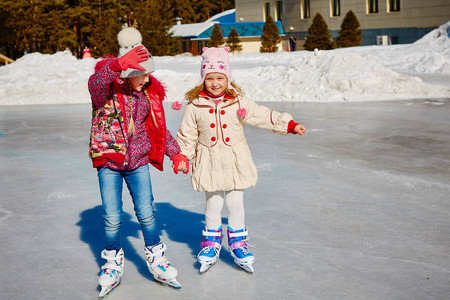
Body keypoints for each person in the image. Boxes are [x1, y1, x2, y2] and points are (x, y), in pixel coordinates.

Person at [172, 47, 306, 274]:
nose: (215, 83)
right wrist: (182, 156)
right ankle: (211, 244)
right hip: (209, 161)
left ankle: (238, 244)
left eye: (220, 78)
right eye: (210, 78)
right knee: (213, 203)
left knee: (235, 203)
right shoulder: (195, 105)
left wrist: (289, 125)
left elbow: (261, 115)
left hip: (235, 160)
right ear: (203, 78)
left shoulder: (238, 101)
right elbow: (187, 133)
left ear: (228, 78)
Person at [88, 27, 188, 297]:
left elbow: (158, 131)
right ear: (129, 73)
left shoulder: (145, 99)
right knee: (112, 216)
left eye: (148, 74)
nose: (147, 79)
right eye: (142, 74)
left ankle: (156, 256)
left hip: (138, 163)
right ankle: (112, 261)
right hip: (109, 161)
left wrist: (175, 152)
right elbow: (94, 83)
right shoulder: (105, 94)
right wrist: (118, 65)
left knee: (146, 212)